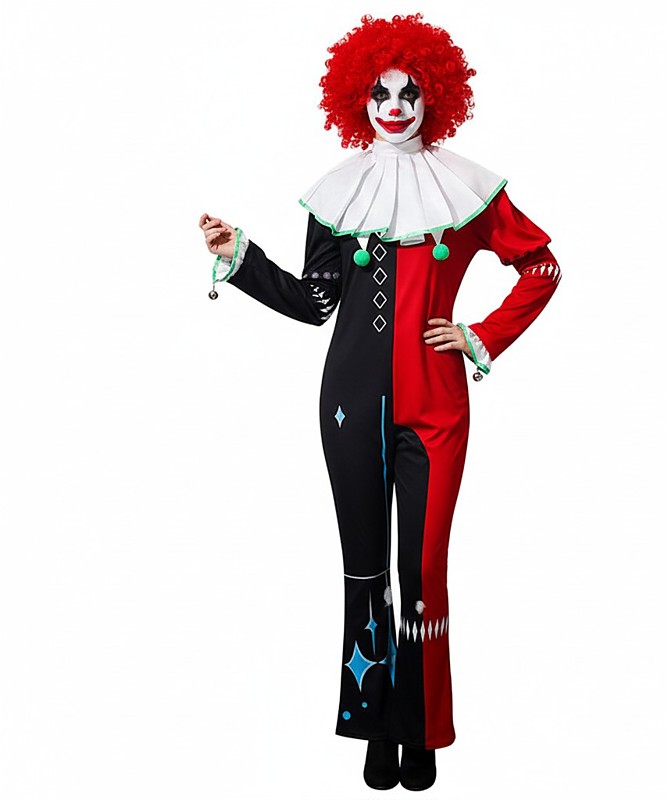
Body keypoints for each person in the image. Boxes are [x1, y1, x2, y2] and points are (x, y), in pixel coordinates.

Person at [199, 13, 561, 792]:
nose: (394, 107)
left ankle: (419, 729)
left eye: (409, 92)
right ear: (356, 100)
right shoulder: (336, 194)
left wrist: (481, 335)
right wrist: (241, 259)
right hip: (349, 407)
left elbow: (542, 267)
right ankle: (371, 724)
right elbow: (316, 302)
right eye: (379, 93)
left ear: (435, 97)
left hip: (437, 410)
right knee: (364, 571)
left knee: (422, 571)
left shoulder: (469, 190)